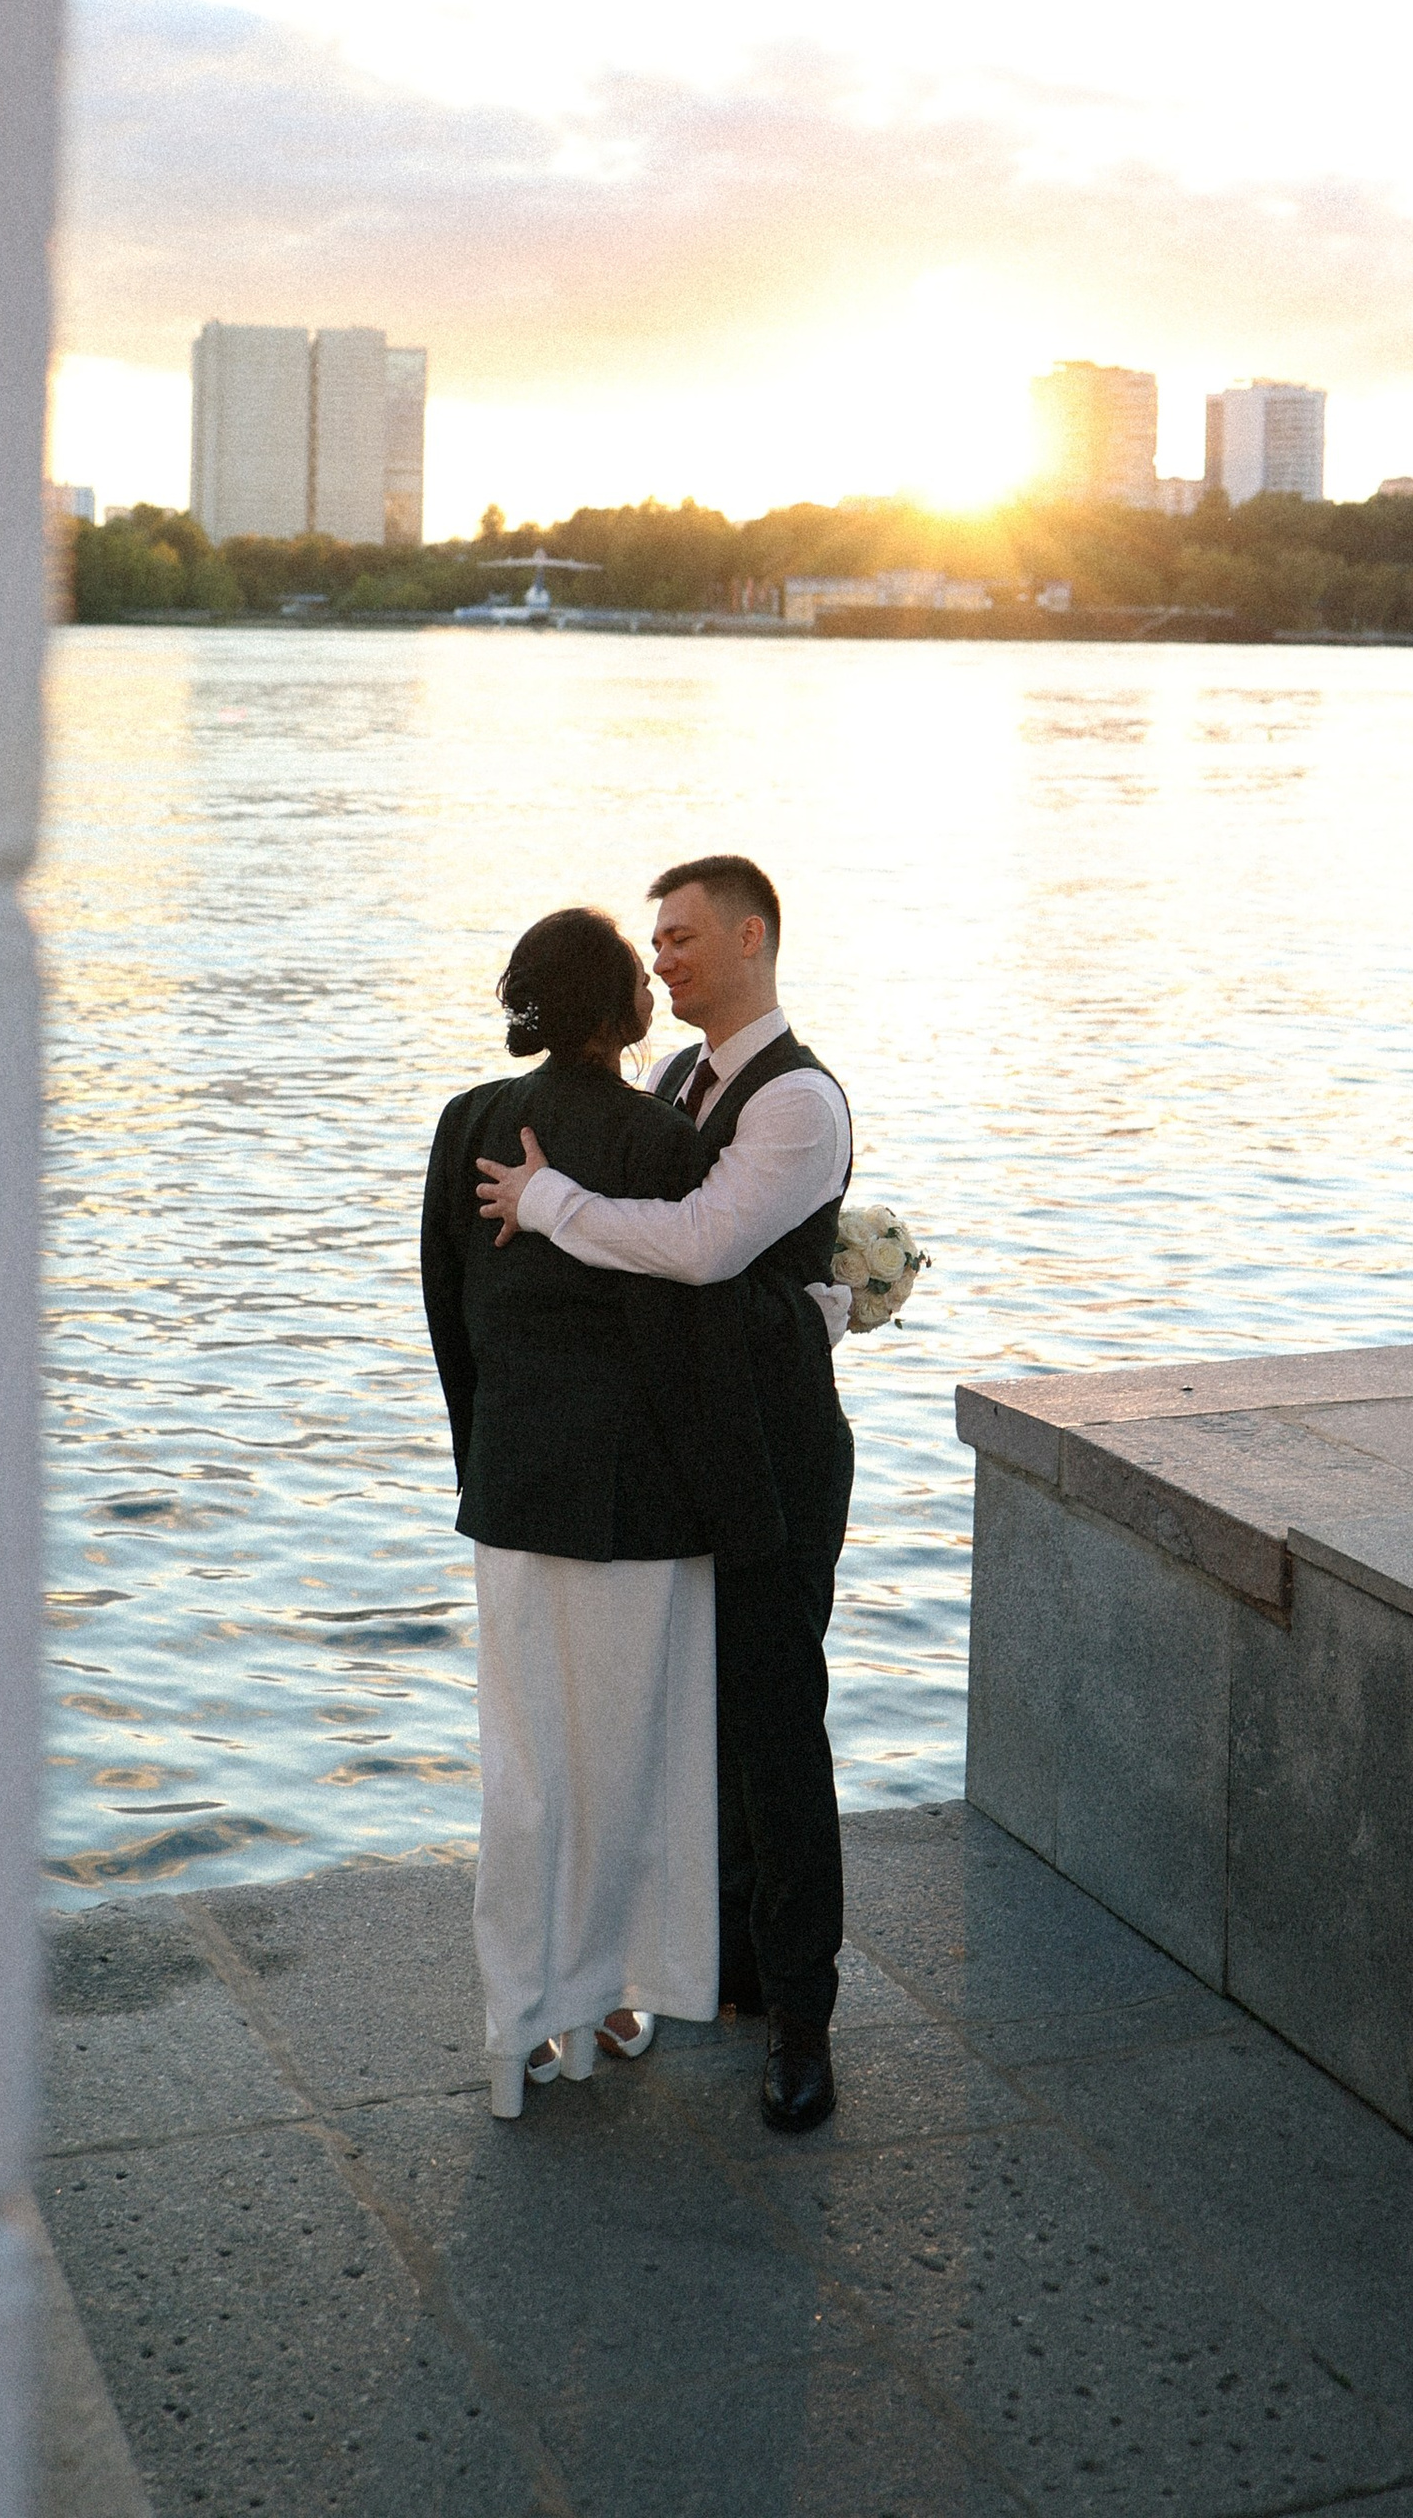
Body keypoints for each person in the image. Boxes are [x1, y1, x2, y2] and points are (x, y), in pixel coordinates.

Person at [475, 854, 853, 2136]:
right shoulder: (676, 1083)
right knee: (708, 1724)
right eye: (656, 943)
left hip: (779, 1464)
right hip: (697, 1454)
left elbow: (694, 1251)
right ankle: (734, 1975)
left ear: (754, 935)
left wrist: (548, 1199)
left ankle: (804, 2026)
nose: (667, 958)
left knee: (777, 1730)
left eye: (685, 937)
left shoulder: (797, 1102)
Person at [420, 905, 782, 2121]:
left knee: (524, 1771)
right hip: (638, 1507)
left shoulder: (469, 1121)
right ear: (622, 1007)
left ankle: (517, 2024)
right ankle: (605, 1997)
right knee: (623, 1764)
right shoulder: (654, 1141)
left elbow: (449, 1310)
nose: (652, 979)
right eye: (641, 967)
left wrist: (488, 1453)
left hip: (516, 1489)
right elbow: (692, 1343)